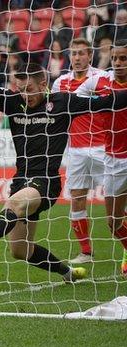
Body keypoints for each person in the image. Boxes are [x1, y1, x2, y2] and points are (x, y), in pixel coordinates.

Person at [0, 62, 127, 282]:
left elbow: (106, 102)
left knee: (15, 204)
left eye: (29, 88)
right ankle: (68, 273)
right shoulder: (13, 101)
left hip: (46, 182)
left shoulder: (63, 101)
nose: (25, 95)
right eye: (21, 89)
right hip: (21, 180)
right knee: (20, 250)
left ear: (44, 84)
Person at [51, 38, 108, 264]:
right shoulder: (60, 83)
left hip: (104, 147)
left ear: (89, 56)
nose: (76, 58)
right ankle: (85, 251)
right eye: (73, 53)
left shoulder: (101, 78)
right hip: (76, 150)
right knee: (77, 199)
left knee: (119, 199)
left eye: (81, 53)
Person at [77, 39, 127, 276]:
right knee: (113, 223)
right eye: (115, 58)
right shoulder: (102, 80)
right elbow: (77, 94)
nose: (118, 63)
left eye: (123, 59)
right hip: (113, 159)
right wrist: (94, 104)